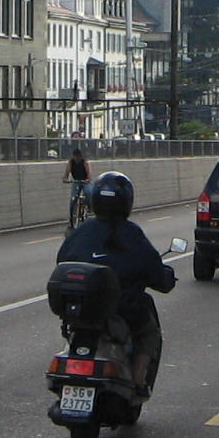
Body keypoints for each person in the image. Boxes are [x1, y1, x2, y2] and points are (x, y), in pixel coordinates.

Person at [55, 171, 175, 396]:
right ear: (126, 202)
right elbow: (155, 272)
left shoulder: (81, 232)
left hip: (82, 312)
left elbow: (61, 261)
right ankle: (138, 382)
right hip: (122, 311)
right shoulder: (132, 234)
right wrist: (166, 278)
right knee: (148, 333)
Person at [63, 148, 91, 220]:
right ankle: (72, 215)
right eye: (75, 156)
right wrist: (66, 179)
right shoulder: (70, 163)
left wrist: (87, 180)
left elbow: (88, 174)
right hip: (76, 181)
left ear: (81, 156)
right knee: (73, 197)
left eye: (78, 156)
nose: (77, 158)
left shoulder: (85, 162)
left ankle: (88, 207)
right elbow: (66, 174)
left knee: (88, 193)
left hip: (84, 181)